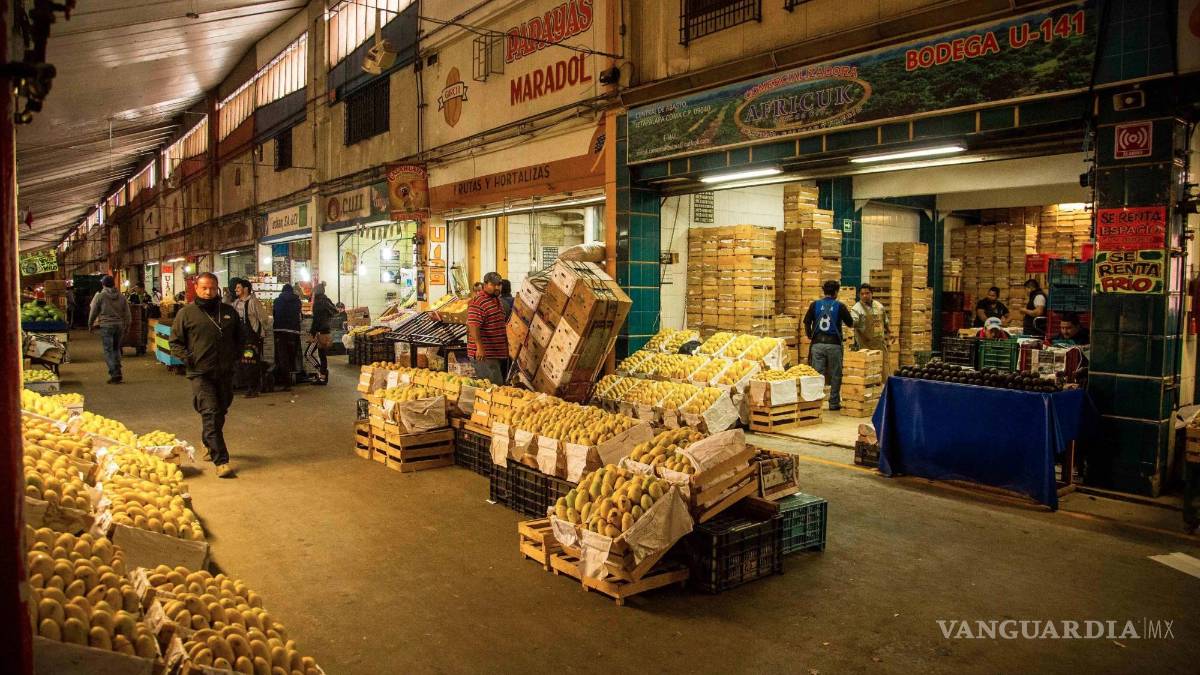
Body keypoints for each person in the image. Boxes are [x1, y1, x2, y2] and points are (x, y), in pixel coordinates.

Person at [169, 272, 242, 478]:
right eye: (204, 288)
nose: (208, 292)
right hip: (200, 373)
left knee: (221, 411)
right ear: (196, 289)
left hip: (225, 372)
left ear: (217, 288)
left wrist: (235, 357)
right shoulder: (186, 313)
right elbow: (175, 342)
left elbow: (240, 338)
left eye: (212, 288)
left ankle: (207, 441)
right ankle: (221, 461)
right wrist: (189, 358)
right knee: (210, 411)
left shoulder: (229, 312)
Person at [803, 280, 854, 411]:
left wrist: (810, 335)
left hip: (817, 344)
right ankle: (834, 403)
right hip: (834, 345)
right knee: (836, 374)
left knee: (817, 375)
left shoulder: (814, 305)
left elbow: (806, 321)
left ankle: (816, 402)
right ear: (836, 292)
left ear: (824, 291)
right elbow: (850, 323)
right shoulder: (840, 306)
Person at [467, 272, 509, 385]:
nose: (497, 287)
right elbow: (473, 326)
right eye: (493, 284)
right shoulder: (478, 302)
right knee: (493, 388)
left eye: (499, 284)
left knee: (496, 386)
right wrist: (479, 347)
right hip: (485, 355)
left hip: (496, 353)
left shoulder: (496, 300)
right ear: (485, 285)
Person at [88, 275, 131, 384]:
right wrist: (127, 325)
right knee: (116, 349)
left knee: (108, 351)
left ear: (103, 284)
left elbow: (93, 311)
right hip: (119, 325)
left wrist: (90, 324)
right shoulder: (121, 297)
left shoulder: (100, 296)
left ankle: (114, 373)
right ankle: (118, 370)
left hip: (106, 326)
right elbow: (127, 313)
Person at [232, 278, 267, 398]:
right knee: (243, 362)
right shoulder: (236, 303)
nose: (235, 289)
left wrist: (260, 332)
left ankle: (253, 389)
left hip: (251, 339)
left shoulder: (253, 302)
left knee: (250, 362)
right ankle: (249, 386)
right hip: (240, 339)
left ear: (246, 289)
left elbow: (264, 318)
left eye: (238, 287)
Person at [272, 284, 301, 390]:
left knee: (282, 357)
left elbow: (274, 314)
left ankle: (285, 382)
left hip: (280, 331)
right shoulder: (297, 301)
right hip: (293, 331)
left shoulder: (277, 301)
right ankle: (292, 378)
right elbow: (299, 315)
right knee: (291, 355)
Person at [308, 281, 338, 385]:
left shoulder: (318, 303)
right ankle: (323, 377)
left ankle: (322, 373)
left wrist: (312, 332)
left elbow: (316, 320)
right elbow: (334, 312)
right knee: (322, 356)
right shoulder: (327, 301)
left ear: (316, 292)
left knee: (308, 354)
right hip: (327, 332)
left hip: (320, 333)